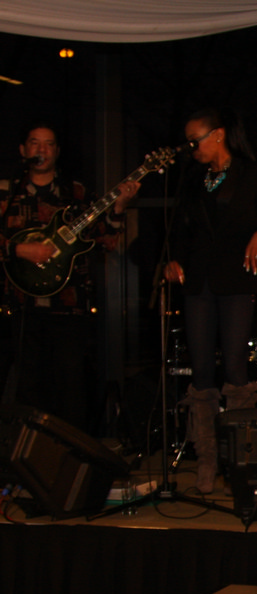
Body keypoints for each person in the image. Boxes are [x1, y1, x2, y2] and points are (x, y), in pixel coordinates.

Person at [162, 107, 257, 494]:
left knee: (235, 367)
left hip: (236, 280)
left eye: (195, 140)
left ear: (217, 135)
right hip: (198, 281)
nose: (192, 148)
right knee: (201, 371)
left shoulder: (252, 173)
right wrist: (172, 258)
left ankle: (241, 459)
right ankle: (206, 460)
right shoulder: (192, 178)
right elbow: (179, 229)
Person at [0, 122, 140, 436]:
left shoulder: (76, 194)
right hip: (21, 305)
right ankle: (29, 452)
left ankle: (68, 453)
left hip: (68, 305)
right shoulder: (7, 191)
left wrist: (118, 207)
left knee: (70, 385)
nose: (41, 150)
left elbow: (106, 240)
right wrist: (20, 249)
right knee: (27, 384)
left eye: (49, 144)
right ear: (23, 150)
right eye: (34, 143)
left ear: (57, 151)